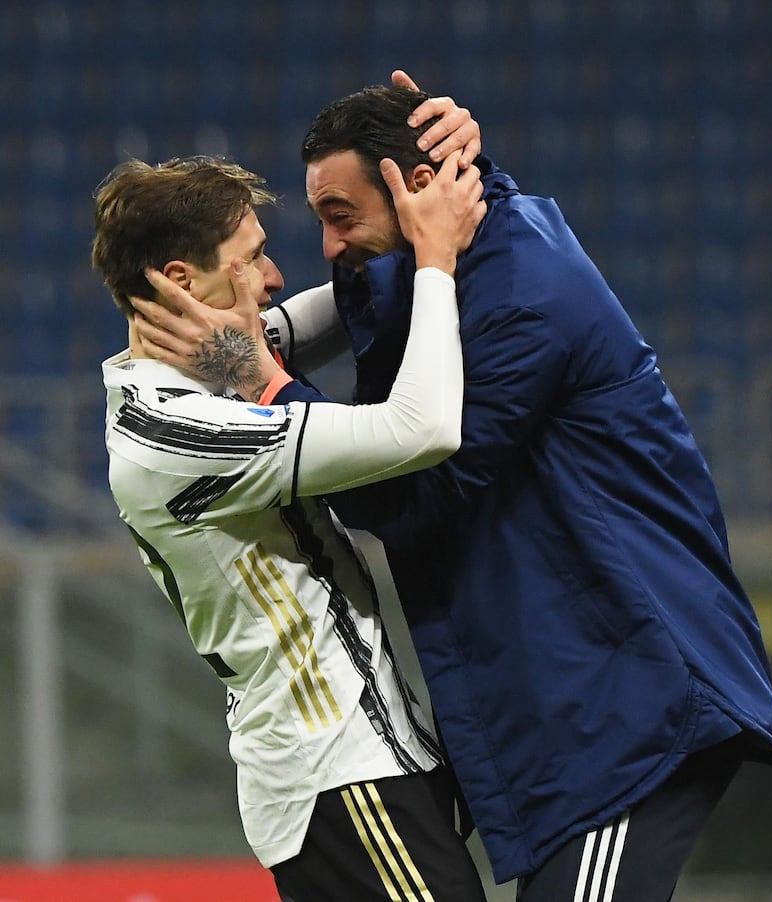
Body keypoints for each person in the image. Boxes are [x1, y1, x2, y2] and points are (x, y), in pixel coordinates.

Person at [146, 81, 772, 900]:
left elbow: (405, 492)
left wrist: (257, 382)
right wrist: (471, 161)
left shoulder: (525, 299)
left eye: (340, 215)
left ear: (416, 192)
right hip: (562, 700)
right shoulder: (432, 264)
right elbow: (362, 297)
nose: (327, 245)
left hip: (630, 696)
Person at [93, 139, 490, 900]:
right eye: (252, 257)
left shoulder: (202, 367)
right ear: (184, 281)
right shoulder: (179, 432)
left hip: (357, 771)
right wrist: (436, 261)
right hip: (340, 776)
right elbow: (423, 429)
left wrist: (421, 183)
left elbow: (346, 303)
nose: (274, 278)